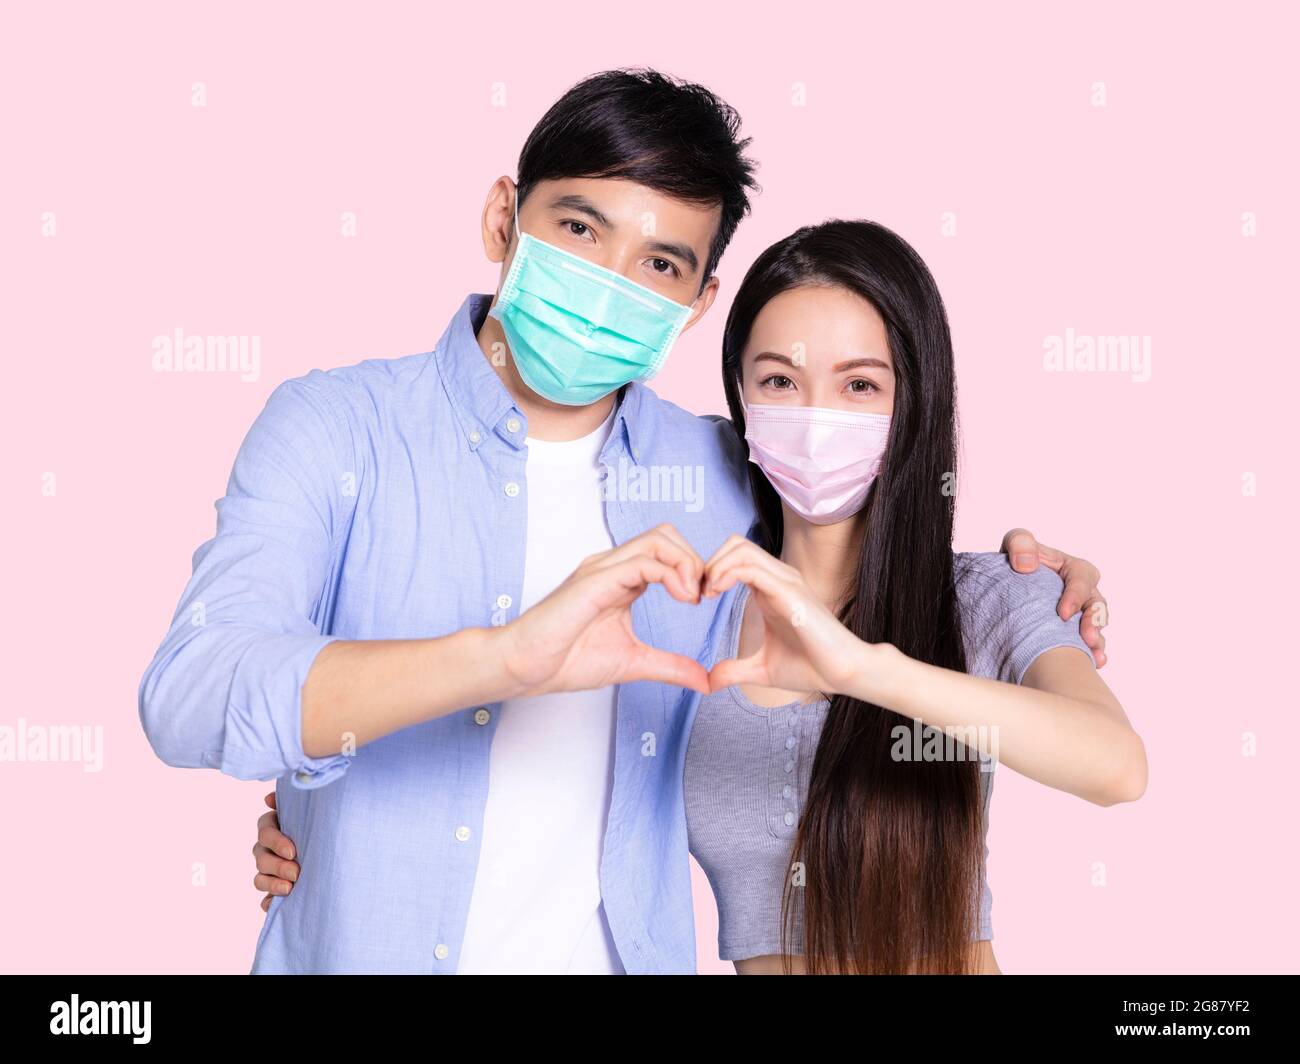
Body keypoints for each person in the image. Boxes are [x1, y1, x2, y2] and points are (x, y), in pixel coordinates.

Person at [143, 69, 1108, 975]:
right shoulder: (335, 429)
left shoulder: (732, 476)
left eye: (659, 263)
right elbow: (191, 696)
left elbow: (867, 544)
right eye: (578, 227)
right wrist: (487, 669)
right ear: (500, 217)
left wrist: (1030, 582)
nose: (608, 280)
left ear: (697, 304)